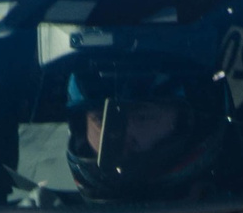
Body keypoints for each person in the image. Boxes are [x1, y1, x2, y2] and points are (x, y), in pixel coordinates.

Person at [58, 51, 225, 204]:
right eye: (101, 119)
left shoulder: (242, 210)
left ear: (185, 124)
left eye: (142, 118)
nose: (121, 134)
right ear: (80, 129)